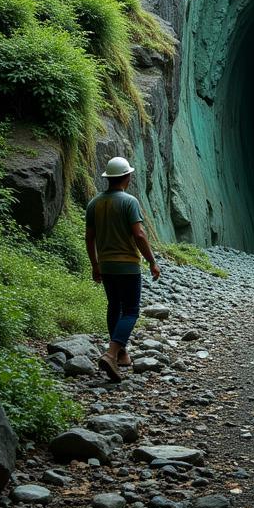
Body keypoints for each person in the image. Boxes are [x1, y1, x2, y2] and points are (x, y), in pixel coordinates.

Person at [85, 156, 161, 382]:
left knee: (114, 306)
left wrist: (95, 265)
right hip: (127, 265)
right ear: (127, 177)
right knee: (130, 311)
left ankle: (121, 353)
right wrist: (151, 261)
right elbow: (139, 234)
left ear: (108, 179)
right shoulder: (129, 202)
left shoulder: (94, 204)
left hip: (107, 265)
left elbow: (89, 238)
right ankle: (110, 353)